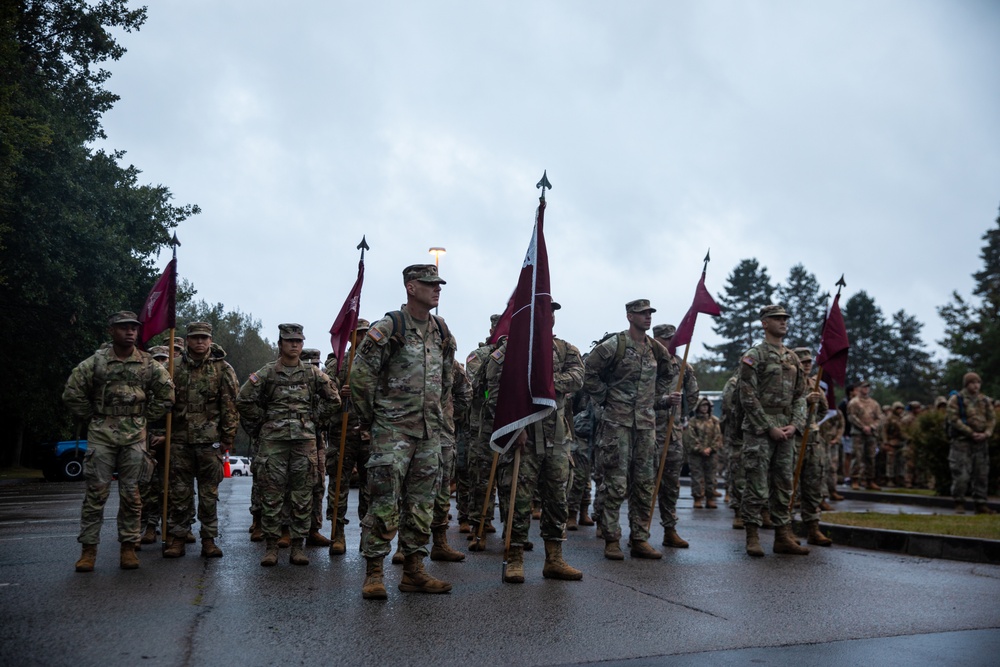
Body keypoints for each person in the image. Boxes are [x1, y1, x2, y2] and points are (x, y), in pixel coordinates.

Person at [352, 264, 456, 599]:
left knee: (421, 505)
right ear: (411, 287)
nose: (436, 289)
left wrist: (437, 416)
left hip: (429, 433)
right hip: (392, 430)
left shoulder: (440, 329)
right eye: (429, 284)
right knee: (383, 502)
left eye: (438, 284)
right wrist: (373, 420)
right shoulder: (390, 327)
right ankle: (374, 573)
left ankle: (413, 571)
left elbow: (446, 379)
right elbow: (361, 376)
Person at [63, 311, 175, 572]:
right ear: (111, 330)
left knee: (132, 494)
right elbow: (72, 392)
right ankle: (88, 551)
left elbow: (167, 393)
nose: (130, 332)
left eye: (134, 328)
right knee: (95, 494)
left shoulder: (147, 363)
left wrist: (145, 416)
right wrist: (92, 415)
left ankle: (128, 547)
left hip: (135, 436)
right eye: (124, 328)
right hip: (102, 434)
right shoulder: (97, 362)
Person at [491, 301, 584, 583]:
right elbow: (491, 390)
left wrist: (544, 381)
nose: (549, 316)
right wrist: (512, 427)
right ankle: (515, 557)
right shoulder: (510, 349)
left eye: (553, 311)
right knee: (517, 499)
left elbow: (578, 377)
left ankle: (554, 558)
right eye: (544, 310)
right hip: (524, 435)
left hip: (556, 436)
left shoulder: (566, 349)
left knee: (557, 497)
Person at [237, 324, 341, 567]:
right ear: (280, 343)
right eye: (289, 340)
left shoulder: (312, 373)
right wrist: (263, 420)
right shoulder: (268, 373)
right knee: (272, 495)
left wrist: (316, 417)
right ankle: (272, 547)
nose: (294, 345)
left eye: (298, 341)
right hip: (273, 442)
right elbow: (243, 399)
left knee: (302, 495)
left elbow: (334, 399)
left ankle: (297, 547)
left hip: (304, 443)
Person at [584, 299, 674, 561]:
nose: (647, 317)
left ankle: (639, 539)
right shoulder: (615, 345)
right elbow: (588, 372)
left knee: (645, 484)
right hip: (616, 424)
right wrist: (605, 398)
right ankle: (612, 539)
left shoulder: (656, 350)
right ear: (629, 316)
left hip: (646, 425)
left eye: (649, 313)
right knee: (615, 483)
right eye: (642, 313)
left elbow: (667, 376)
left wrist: (654, 399)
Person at [161, 322, 239, 559]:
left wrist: (227, 438)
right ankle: (177, 538)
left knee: (208, 494)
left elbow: (230, 405)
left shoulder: (222, 369)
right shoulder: (172, 368)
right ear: (186, 340)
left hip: (210, 441)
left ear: (210, 339)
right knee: (179, 493)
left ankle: (209, 539)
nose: (200, 342)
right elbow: (160, 401)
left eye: (204, 337)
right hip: (179, 439)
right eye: (195, 338)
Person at [738, 304, 809, 557]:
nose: (783, 322)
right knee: (756, 483)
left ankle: (782, 535)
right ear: (764, 323)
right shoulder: (753, 356)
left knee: (784, 483)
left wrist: (795, 424)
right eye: (777, 319)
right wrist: (769, 427)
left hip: (787, 427)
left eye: (785, 319)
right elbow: (747, 396)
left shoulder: (792, 358)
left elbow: (801, 396)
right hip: (760, 428)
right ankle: (752, 535)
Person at [324, 319, 371, 556]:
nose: (363, 338)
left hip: (369, 434)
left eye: (366, 334)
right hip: (342, 431)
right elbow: (323, 390)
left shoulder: (377, 363)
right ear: (351, 337)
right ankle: (337, 534)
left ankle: (368, 535)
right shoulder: (338, 363)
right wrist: (339, 392)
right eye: (359, 334)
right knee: (338, 485)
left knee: (371, 487)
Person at [651, 323, 696, 548]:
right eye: (666, 339)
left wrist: (682, 416)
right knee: (642, 484)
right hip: (646, 431)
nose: (671, 343)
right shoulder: (647, 361)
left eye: (673, 339)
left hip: (672, 433)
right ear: (656, 339)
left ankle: (670, 529)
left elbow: (693, 394)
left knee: (671, 484)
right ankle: (639, 533)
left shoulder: (683, 366)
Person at [429, 357, 472, 562]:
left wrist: (451, 416)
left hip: (442, 433)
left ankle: (440, 541)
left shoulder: (449, 361)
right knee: (407, 489)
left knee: (443, 488)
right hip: (404, 433)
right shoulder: (395, 350)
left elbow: (465, 393)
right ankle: (404, 546)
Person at [792, 347, 833, 547]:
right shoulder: (790, 384)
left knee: (813, 487)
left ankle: (813, 528)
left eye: (809, 362)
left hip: (813, 441)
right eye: (803, 362)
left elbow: (823, 409)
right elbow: (781, 407)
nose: (807, 365)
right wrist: (803, 405)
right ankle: (786, 529)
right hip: (793, 440)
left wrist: (812, 421)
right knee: (788, 487)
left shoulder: (814, 384)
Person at [947, 372, 995, 514]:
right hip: (962, 442)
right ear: (967, 384)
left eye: (978, 382)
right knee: (961, 474)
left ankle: (981, 503)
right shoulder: (957, 399)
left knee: (981, 473)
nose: (976, 385)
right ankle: (959, 502)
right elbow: (953, 419)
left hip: (980, 442)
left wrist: (986, 433)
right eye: (973, 383)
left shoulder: (985, 400)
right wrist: (970, 432)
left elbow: (992, 419)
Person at [138, 345, 171, 545]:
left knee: (169, 488)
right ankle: (148, 526)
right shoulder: (142, 384)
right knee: (145, 487)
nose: (161, 363)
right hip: (144, 439)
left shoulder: (173, 383)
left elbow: (183, 417)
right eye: (156, 359)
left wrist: (168, 436)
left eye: (164, 359)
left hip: (170, 442)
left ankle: (171, 528)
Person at [301, 348, 332, 547]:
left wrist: (319, 420)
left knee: (317, 485)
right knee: (293, 486)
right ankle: (286, 529)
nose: (313, 368)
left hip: (317, 440)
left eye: (316, 364)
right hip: (294, 440)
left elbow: (333, 403)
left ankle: (314, 529)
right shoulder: (291, 382)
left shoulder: (323, 383)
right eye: (309, 364)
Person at [685, 397, 722, 509]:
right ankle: (698, 498)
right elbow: (690, 437)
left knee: (711, 476)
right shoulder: (692, 421)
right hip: (696, 454)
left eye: (707, 406)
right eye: (702, 405)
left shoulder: (714, 420)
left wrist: (711, 449)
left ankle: (710, 498)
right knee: (697, 477)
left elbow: (718, 436)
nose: (705, 408)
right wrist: (701, 449)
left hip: (711, 454)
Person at [720, 370, 745, 528]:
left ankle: (763, 510)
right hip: (738, 432)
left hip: (761, 431)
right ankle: (739, 512)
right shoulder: (734, 382)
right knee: (738, 471)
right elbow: (729, 407)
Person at [847, 380, 882, 490]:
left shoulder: (874, 403)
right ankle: (855, 479)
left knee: (870, 457)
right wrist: (863, 427)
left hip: (871, 433)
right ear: (859, 389)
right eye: (863, 387)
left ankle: (870, 480)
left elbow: (879, 418)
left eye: (867, 387)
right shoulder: (854, 402)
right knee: (857, 456)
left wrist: (871, 427)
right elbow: (852, 417)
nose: (866, 389)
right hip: (858, 433)